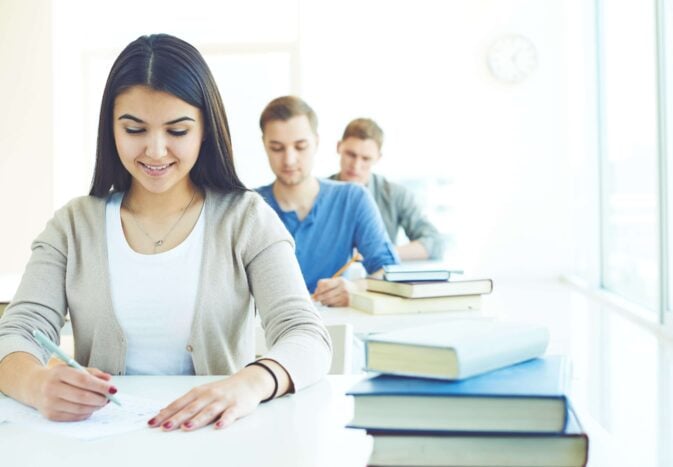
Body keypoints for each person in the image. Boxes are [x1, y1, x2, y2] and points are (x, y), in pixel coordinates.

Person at [0, 34, 330, 431]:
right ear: (111, 129)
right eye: (135, 129)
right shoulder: (73, 225)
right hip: (104, 446)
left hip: (217, 440)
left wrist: (251, 383)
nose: (156, 151)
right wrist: (36, 383)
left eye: (177, 131)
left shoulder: (246, 218)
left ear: (206, 130)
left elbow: (307, 334)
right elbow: (15, 333)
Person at [256, 96, 399, 307]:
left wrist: (356, 288)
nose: (289, 159)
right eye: (277, 148)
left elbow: (390, 273)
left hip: (333, 328)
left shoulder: (352, 199)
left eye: (300, 146)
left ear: (317, 142)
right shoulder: (249, 207)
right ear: (265, 145)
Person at [330, 118, 444, 261]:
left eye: (366, 159)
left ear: (378, 158)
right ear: (338, 147)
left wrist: (382, 253)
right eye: (351, 155)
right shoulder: (317, 192)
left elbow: (435, 243)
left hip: (377, 281)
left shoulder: (395, 195)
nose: (356, 165)